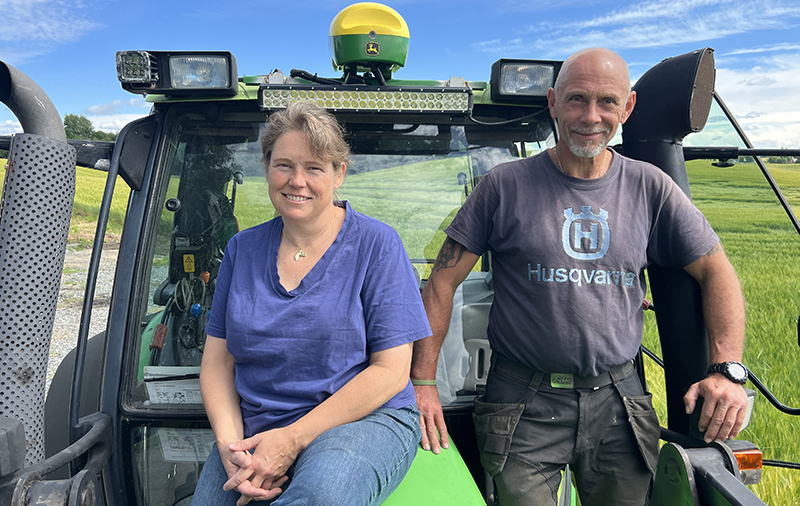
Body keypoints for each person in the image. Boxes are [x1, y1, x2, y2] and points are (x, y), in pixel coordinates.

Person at [410, 47, 749, 505]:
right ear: (552, 102)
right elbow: (442, 283)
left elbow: (716, 269)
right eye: (576, 99)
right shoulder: (504, 186)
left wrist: (726, 370)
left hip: (619, 400)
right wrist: (424, 383)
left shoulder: (649, 186)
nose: (591, 116)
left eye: (607, 102)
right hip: (520, 401)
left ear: (627, 107)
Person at [192, 101, 431, 506]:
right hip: (261, 423)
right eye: (284, 165)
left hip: (363, 419)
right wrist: (231, 448)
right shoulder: (241, 250)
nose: (297, 181)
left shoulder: (377, 244)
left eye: (314, 168)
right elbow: (218, 363)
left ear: (339, 174)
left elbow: (391, 372)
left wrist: (292, 439)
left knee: (318, 498)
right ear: (267, 167)